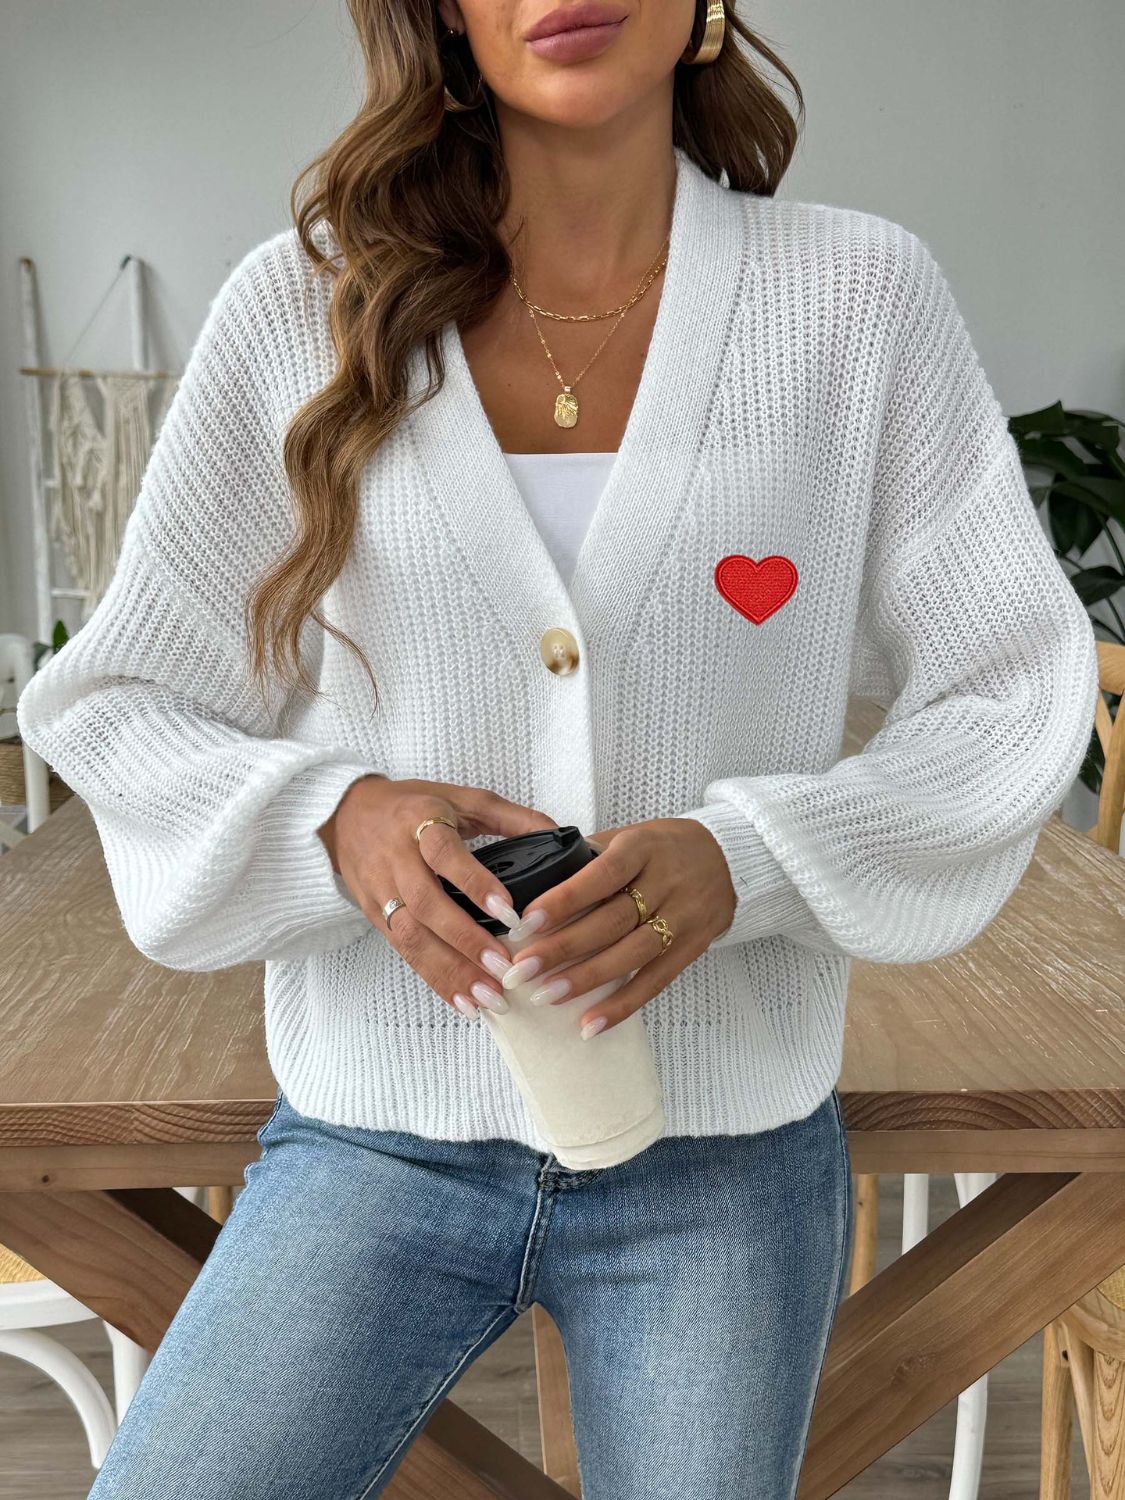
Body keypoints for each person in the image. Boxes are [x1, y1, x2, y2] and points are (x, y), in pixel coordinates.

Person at [17, 2, 1098, 1497]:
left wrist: (752, 859)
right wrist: (337, 819)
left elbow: (1012, 687)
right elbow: (117, 698)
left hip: (722, 1152)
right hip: (377, 1135)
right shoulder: (301, 312)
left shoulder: (856, 304)